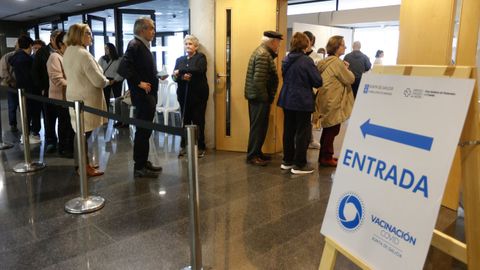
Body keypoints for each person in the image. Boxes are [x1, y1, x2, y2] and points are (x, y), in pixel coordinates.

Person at [63, 23, 112, 177]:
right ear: (79, 35)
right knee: (84, 134)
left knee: (80, 132)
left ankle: (83, 164)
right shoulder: (83, 54)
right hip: (85, 98)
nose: (91, 36)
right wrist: (106, 81)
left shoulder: (68, 51)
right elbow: (97, 80)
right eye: (88, 33)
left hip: (75, 96)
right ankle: (83, 166)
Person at [118, 17, 163, 178]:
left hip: (148, 94)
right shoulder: (134, 45)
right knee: (143, 131)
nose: (154, 31)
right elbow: (123, 68)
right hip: (143, 96)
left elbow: (141, 69)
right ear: (142, 30)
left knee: (145, 131)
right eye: (151, 28)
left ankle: (143, 162)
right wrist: (139, 83)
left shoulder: (142, 46)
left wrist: (156, 76)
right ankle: (139, 166)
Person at [277, 32, 322, 174]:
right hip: (302, 100)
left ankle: (287, 161)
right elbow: (318, 81)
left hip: (286, 98)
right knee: (302, 132)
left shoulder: (286, 59)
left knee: (289, 130)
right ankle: (299, 165)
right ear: (306, 44)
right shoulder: (306, 61)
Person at [314, 35, 355, 167]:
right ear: (336, 47)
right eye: (343, 44)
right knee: (332, 129)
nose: (345, 47)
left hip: (326, 98)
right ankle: (326, 158)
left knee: (328, 129)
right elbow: (350, 79)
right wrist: (347, 69)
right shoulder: (337, 63)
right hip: (334, 100)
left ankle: (325, 156)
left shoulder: (326, 61)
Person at [244, 31, 281, 166]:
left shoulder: (262, 52)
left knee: (259, 126)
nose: (278, 45)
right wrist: (266, 98)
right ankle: (252, 155)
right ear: (272, 42)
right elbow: (259, 81)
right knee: (258, 127)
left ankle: (257, 152)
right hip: (259, 98)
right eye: (278, 42)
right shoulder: (263, 54)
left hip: (258, 97)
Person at [173, 35, 209, 158]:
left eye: (190, 44)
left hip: (198, 95)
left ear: (196, 46)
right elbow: (174, 76)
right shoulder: (180, 59)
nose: (188, 46)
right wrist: (182, 77)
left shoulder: (200, 57)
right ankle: (184, 146)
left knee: (198, 121)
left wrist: (180, 71)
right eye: (186, 44)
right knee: (185, 120)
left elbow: (199, 70)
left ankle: (201, 146)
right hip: (184, 95)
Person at [9, 35, 42, 144]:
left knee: (25, 113)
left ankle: (26, 134)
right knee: (32, 113)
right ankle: (31, 134)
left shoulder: (16, 57)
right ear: (29, 45)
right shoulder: (26, 59)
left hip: (22, 90)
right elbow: (31, 77)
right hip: (31, 91)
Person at [46, 31, 74, 158]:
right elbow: (57, 79)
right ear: (61, 44)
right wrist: (74, 84)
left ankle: (69, 147)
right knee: (64, 123)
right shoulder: (54, 57)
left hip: (70, 96)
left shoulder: (67, 56)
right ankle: (63, 148)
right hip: (60, 97)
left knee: (69, 123)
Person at [32, 30, 61, 153]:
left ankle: (64, 142)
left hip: (62, 90)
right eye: (58, 39)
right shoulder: (42, 52)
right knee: (49, 117)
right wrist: (42, 88)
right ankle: (51, 141)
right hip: (47, 90)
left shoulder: (65, 50)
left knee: (64, 118)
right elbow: (35, 71)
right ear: (52, 39)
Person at [303, 31, 322, 150]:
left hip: (312, 91)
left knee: (310, 118)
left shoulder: (317, 58)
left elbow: (318, 76)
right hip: (301, 92)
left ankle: (310, 139)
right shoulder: (296, 55)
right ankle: (307, 139)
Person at [98, 43, 124, 114]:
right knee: (105, 98)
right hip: (106, 80)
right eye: (105, 48)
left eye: (107, 48)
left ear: (111, 49)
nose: (105, 50)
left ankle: (119, 117)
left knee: (117, 98)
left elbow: (121, 71)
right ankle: (105, 115)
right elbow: (98, 70)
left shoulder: (119, 59)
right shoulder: (102, 59)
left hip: (116, 80)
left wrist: (115, 80)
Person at [0, 43, 19, 132]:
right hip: (11, 86)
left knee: (22, 105)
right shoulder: (8, 56)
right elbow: (3, 71)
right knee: (12, 105)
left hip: (20, 85)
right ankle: (13, 124)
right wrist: (11, 81)